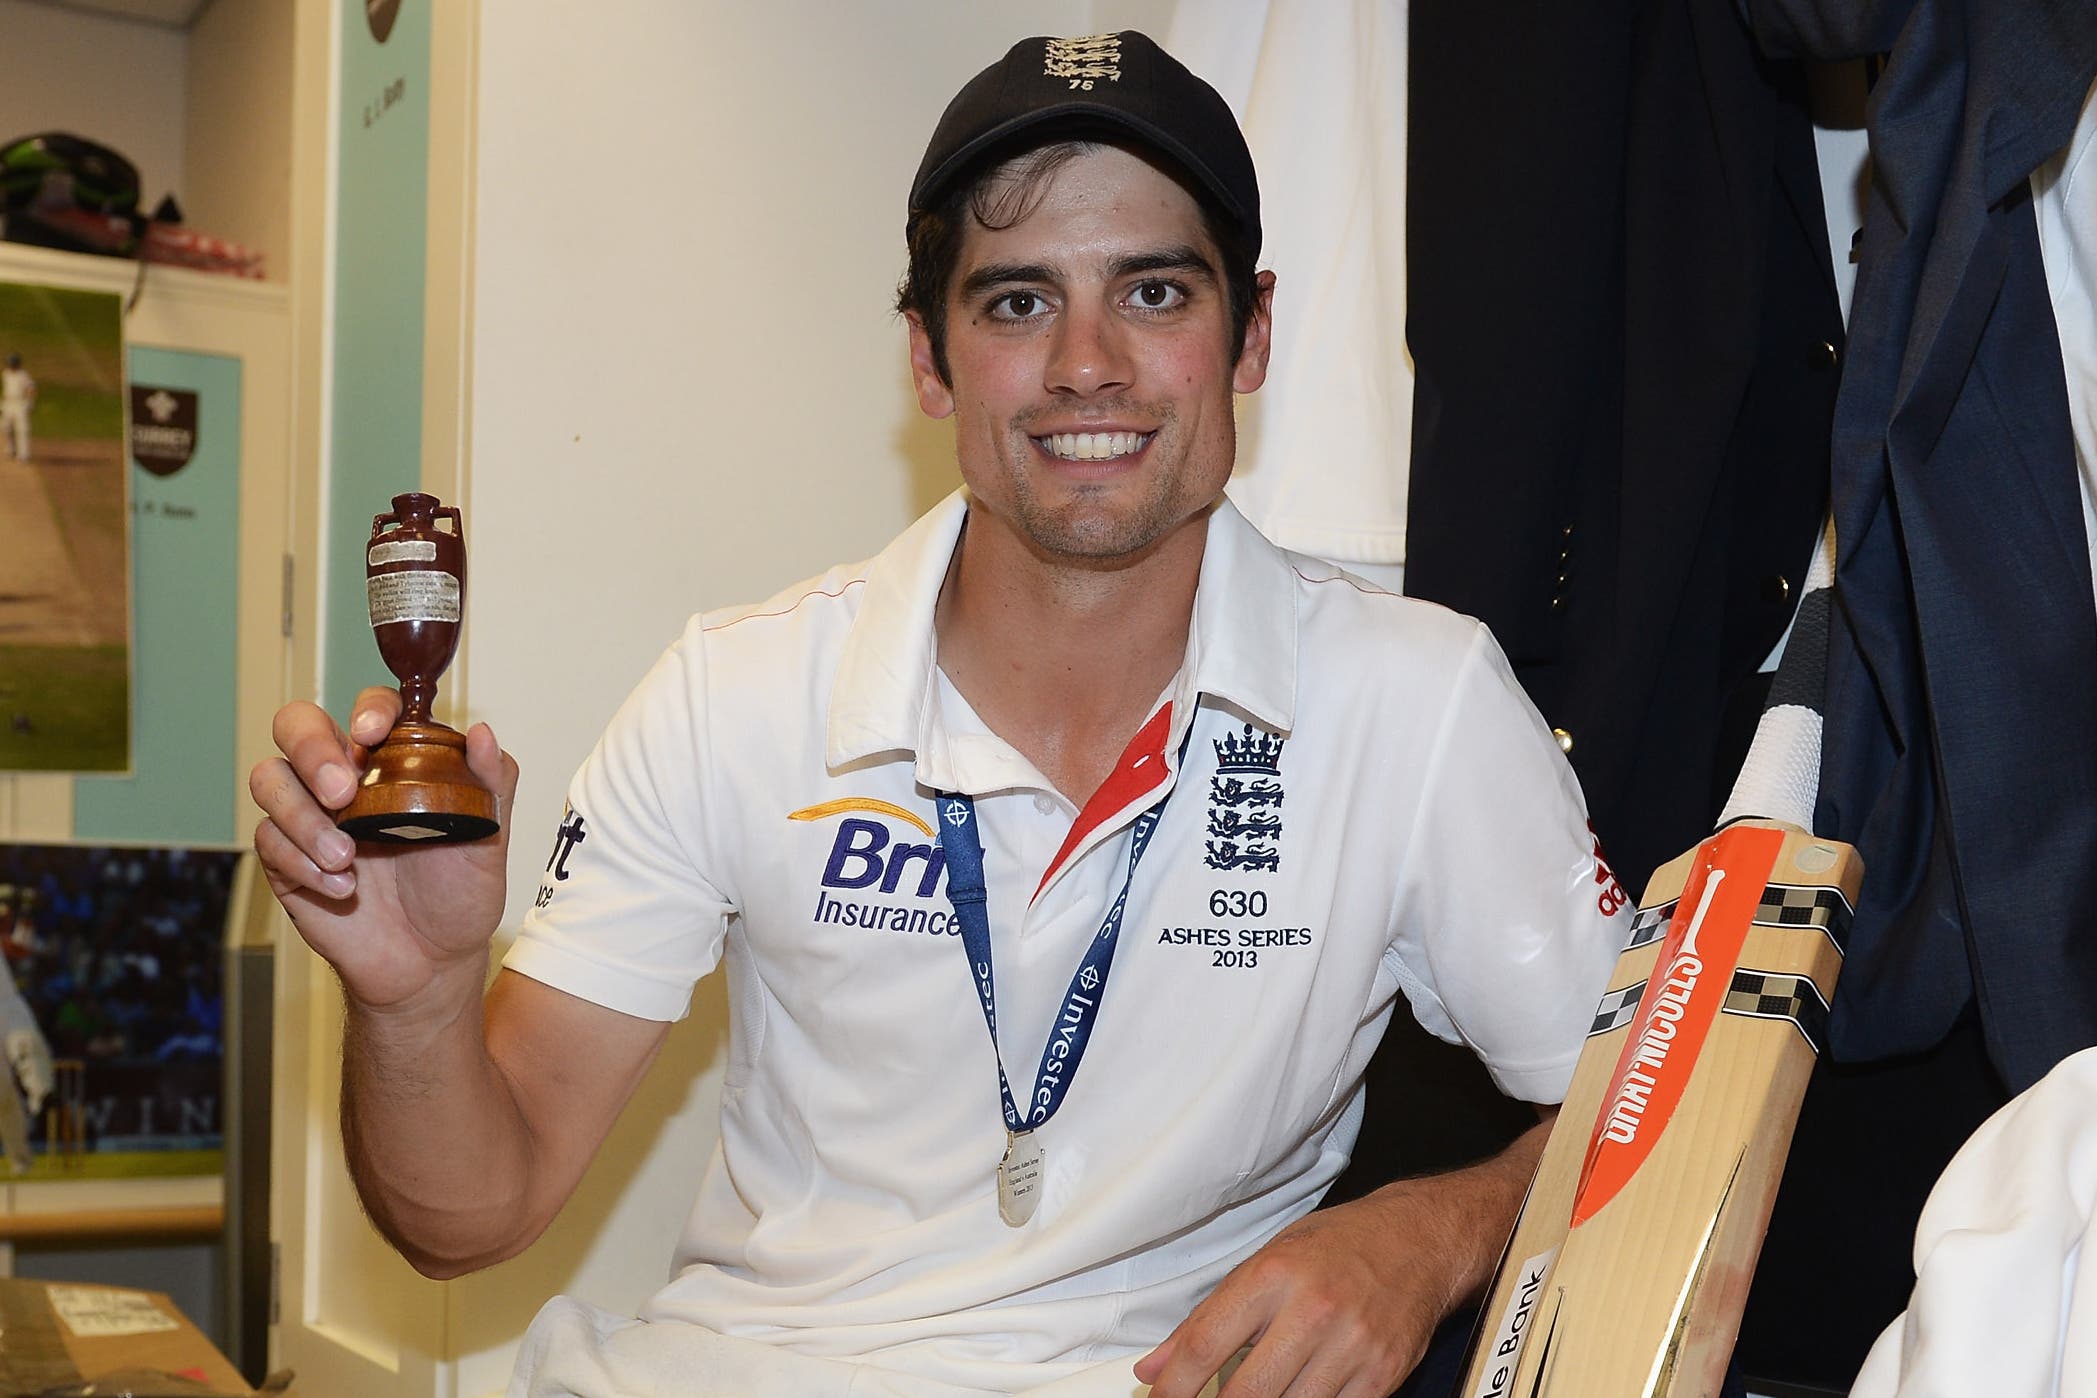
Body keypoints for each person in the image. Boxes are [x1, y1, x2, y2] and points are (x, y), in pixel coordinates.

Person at [251, 31, 1624, 1398]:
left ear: (1250, 332)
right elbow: (465, 1218)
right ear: (928, 358)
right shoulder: (738, 689)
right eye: (1017, 303)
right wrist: (419, 1001)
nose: (1089, 365)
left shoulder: (1415, 697)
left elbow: (1648, 1095)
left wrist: (1424, 1234)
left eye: (1153, 292)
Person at [1, 353, 33, 462]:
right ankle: (11, 448)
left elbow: (31, 388)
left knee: (22, 429)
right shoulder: (6, 374)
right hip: (8, 403)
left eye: (12, 364)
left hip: (20, 404)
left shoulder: (23, 375)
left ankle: (23, 454)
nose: (11, 366)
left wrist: (29, 402)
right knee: (5, 427)